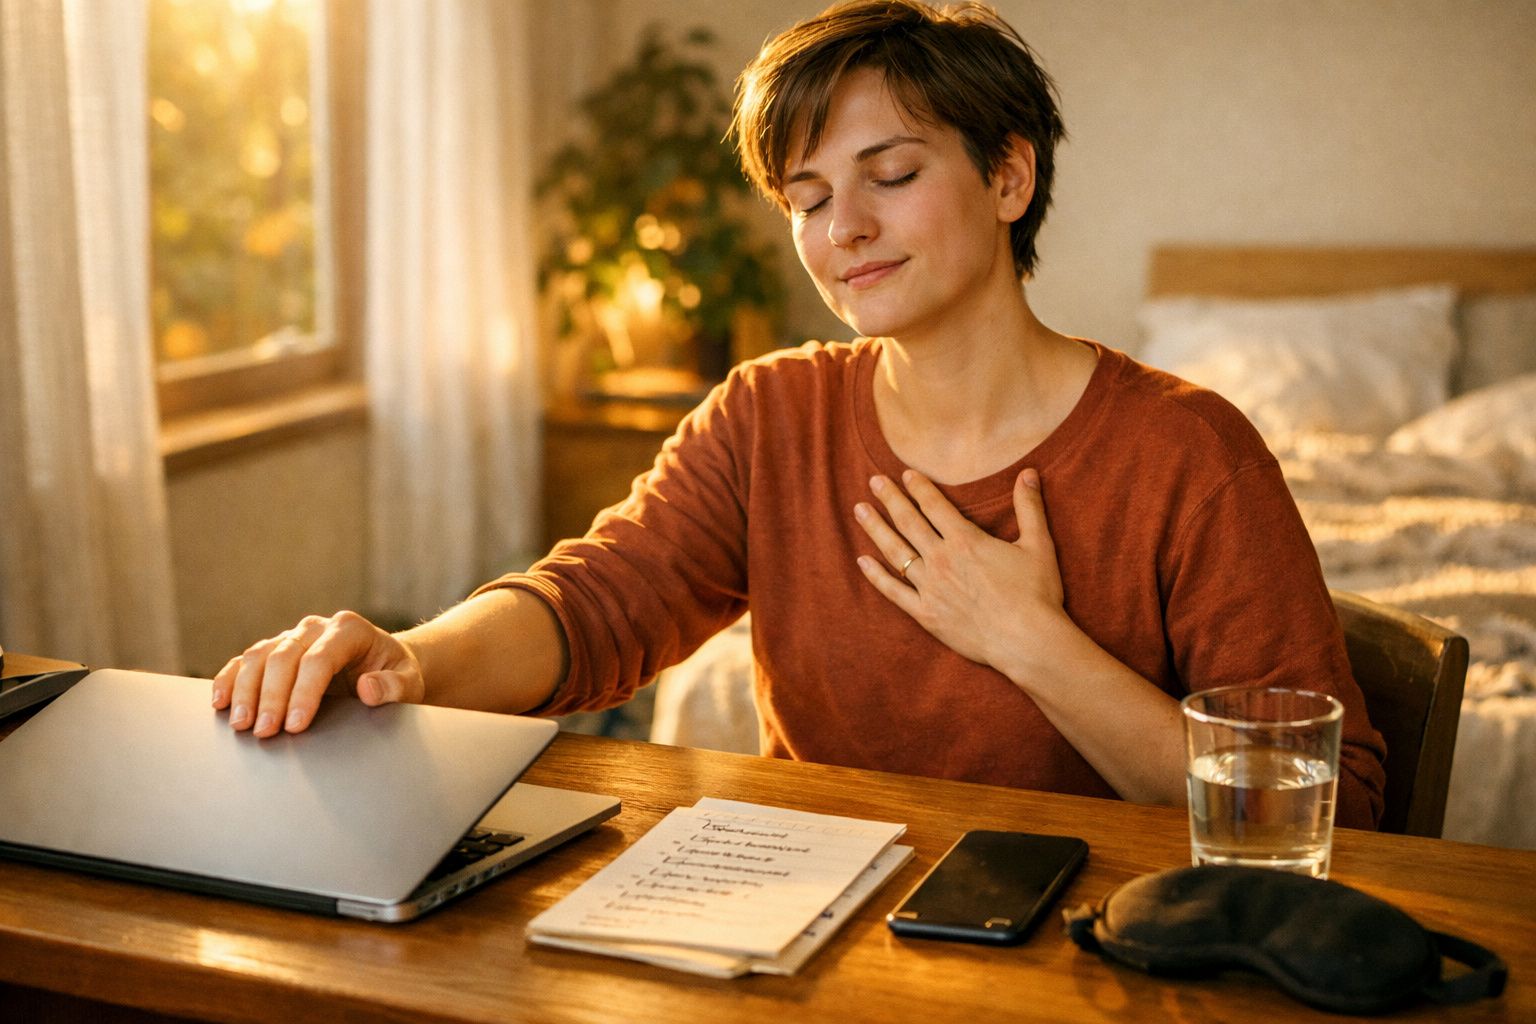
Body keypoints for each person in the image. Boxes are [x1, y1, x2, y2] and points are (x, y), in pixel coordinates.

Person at [213, 0, 1386, 826]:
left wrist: (1029, 639)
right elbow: (598, 602)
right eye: (809, 197)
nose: (844, 233)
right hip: (814, 933)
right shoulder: (770, 414)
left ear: (1009, 178)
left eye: (893, 174)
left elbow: (1324, 810)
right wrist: (411, 660)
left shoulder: (1188, 451)